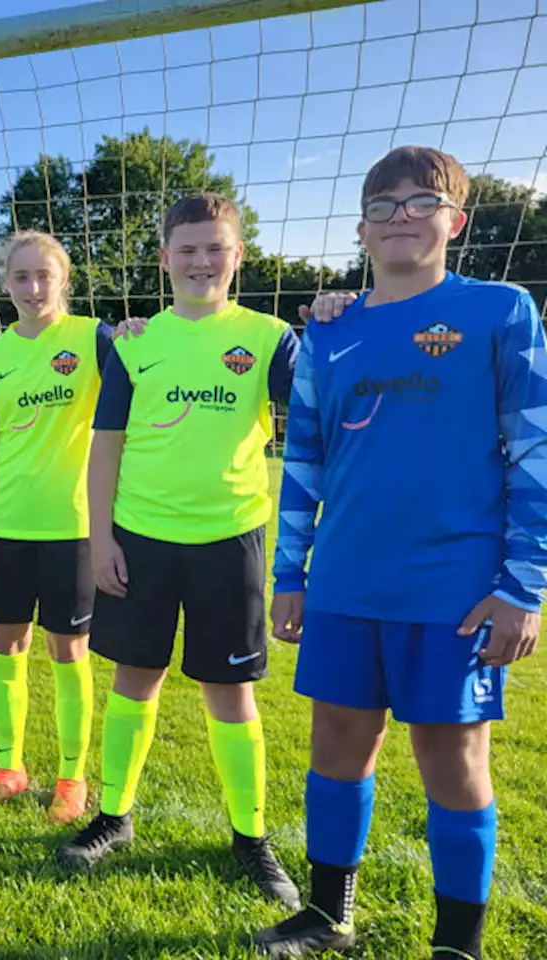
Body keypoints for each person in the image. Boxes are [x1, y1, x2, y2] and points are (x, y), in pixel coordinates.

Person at [253, 147, 547, 960]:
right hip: (346, 582)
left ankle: (457, 945)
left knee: (450, 758)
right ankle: (327, 914)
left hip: (453, 589)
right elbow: (304, 460)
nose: (403, 216)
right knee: (338, 749)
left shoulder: (501, 310)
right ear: (360, 228)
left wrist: (523, 586)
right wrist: (291, 573)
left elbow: (536, 450)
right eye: (384, 205)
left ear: (457, 221)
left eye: (425, 201)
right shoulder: (330, 333)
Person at [56, 193, 301, 907]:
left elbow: (321, 413)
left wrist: (335, 314)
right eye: (186, 249)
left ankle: (251, 837)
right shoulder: (131, 343)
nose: (200, 261)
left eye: (214, 248)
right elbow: (105, 451)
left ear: (237, 255)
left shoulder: (268, 337)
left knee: (231, 692)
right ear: (164, 258)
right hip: (141, 539)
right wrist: (101, 538)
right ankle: (114, 815)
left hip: (230, 539)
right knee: (136, 679)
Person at [0, 231, 109, 823]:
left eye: (43, 275)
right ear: (4, 284)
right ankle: (10, 766)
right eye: (20, 277)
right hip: (8, 523)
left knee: (68, 648)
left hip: (74, 525)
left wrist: (135, 333)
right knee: (7, 643)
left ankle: (71, 778)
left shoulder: (94, 339)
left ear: (63, 279)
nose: (32, 288)